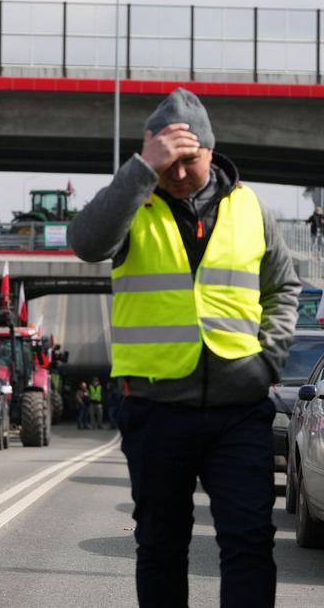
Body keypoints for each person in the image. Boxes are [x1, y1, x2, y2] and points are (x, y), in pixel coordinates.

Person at [70, 87, 299, 608]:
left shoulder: (251, 209)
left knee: (247, 542)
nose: (176, 174)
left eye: (188, 161)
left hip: (239, 409)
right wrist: (140, 168)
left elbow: (283, 287)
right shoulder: (136, 203)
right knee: (160, 546)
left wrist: (268, 362)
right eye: (167, 161)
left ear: (211, 152)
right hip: (156, 408)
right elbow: (86, 242)